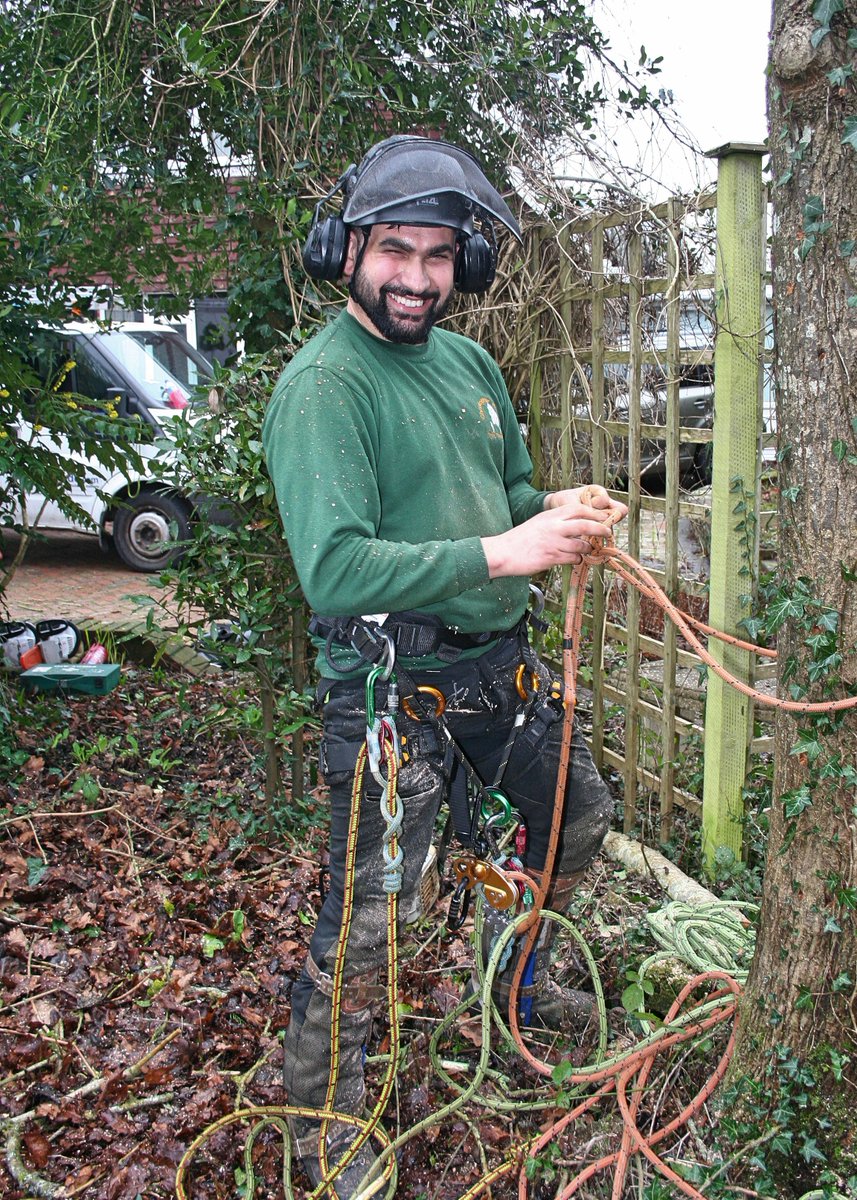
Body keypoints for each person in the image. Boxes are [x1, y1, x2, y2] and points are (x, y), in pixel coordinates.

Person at [262, 134, 627, 1198]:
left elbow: (504, 497)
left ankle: (518, 981)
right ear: (348, 251)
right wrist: (503, 552)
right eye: (394, 251)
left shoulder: (467, 366)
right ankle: (322, 1123)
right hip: (389, 690)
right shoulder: (326, 387)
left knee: (580, 816)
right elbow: (332, 567)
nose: (415, 277)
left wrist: (548, 513)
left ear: (461, 264)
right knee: (372, 920)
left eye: (436, 255)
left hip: (495, 675)